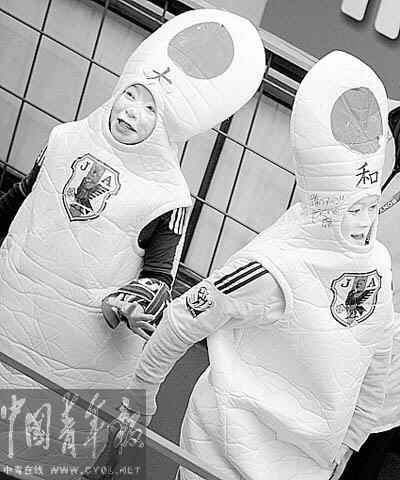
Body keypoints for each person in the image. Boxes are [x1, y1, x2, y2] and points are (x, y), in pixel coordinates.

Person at [0, 8, 265, 477]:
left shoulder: (169, 197)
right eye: (130, 95)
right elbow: (19, 198)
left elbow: (160, 278)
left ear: (169, 124)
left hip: (84, 354)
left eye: (150, 109)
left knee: (44, 461)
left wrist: (131, 303)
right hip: (12, 313)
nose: (131, 112)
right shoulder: (63, 139)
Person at [110, 51, 395, 480]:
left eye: (371, 207)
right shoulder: (271, 266)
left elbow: (379, 357)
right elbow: (185, 317)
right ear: (324, 205)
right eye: (352, 209)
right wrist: (141, 399)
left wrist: (350, 442)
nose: (364, 222)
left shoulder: (378, 265)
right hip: (221, 463)